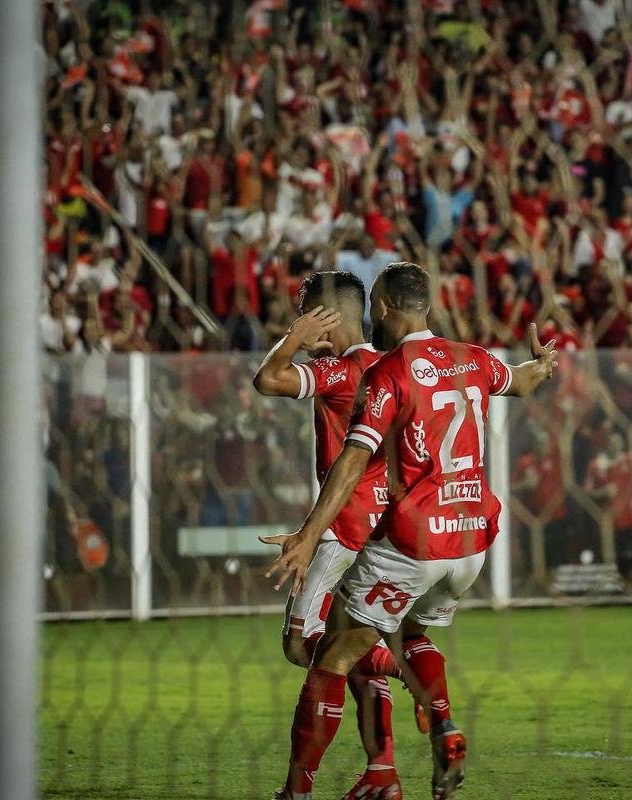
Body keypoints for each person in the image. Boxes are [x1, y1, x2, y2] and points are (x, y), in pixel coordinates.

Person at [261, 262, 558, 800]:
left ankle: (297, 792)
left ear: (382, 307)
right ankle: (426, 739)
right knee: (405, 635)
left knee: (328, 653)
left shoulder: (389, 370)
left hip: (413, 539)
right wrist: (543, 362)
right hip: (470, 540)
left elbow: (353, 459)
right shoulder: (473, 358)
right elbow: (525, 380)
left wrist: (307, 533)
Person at [252, 271, 412, 799]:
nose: (299, 319)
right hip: (389, 529)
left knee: (303, 646)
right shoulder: (391, 368)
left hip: (341, 530)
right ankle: (382, 773)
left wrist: (294, 338)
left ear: (329, 316)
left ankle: (405, 663)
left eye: (306, 310)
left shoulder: (341, 372)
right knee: (348, 645)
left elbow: (267, 378)